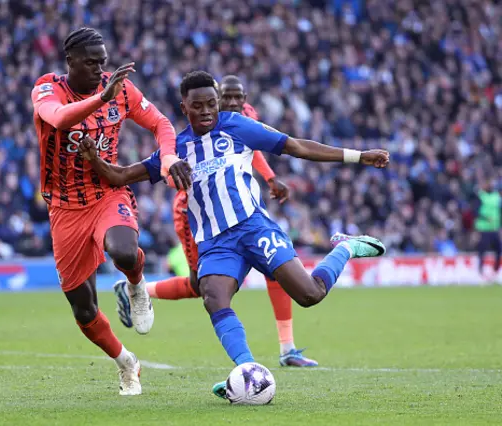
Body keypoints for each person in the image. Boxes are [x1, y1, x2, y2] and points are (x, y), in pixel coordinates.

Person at [81, 70, 390, 399]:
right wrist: (92, 157)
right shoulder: (176, 148)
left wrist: (359, 156)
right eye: (197, 105)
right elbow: (121, 176)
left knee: (310, 295)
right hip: (215, 243)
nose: (206, 111)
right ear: (184, 107)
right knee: (212, 296)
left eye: (211, 103)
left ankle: (345, 247)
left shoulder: (237, 126)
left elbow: (297, 146)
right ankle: (248, 372)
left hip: (254, 228)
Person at [112, 75, 317, 367]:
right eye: (228, 98)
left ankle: (287, 348)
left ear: (244, 99)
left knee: (277, 268)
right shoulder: (192, 130)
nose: (232, 103)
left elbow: (252, 147)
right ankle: (139, 289)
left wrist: (270, 177)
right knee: (201, 287)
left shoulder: (243, 118)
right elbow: (165, 165)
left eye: (238, 98)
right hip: (195, 212)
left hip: (243, 209)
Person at [30, 27, 191, 396]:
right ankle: (126, 363)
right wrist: (102, 97)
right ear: (70, 61)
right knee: (84, 311)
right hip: (64, 206)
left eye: (103, 62)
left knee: (121, 249)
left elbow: (161, 123)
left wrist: (168, 156)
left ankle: (136, 287)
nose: (100, 69)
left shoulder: (120, 89)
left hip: (106, 191)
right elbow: (57, 118)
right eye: (91, 63)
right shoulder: (47, 87)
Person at [474, 179, 501, 278]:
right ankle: (480, 271)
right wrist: (485, 218)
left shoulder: (496, 196)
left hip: (494, 228)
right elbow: (475, 211)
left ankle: (496, 271)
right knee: (482, 251)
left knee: (498, 250)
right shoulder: (481, 196)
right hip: (484, 228)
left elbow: (499, 212)